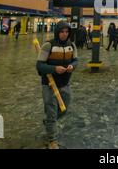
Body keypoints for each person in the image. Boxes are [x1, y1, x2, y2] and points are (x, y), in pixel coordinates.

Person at [36, 21, 78, 149]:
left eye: (66, 32)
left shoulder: (72, 46)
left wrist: (72, 66)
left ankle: (49, 121)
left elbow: (76, 60)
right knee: (51, 112)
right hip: (49, 84)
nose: (64, 34)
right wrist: (54, 69)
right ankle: (52, 140)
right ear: (57, 32)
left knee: (64, 109)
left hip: (65, 84)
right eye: (62, 32)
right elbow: (39, 65)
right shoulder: (48, 46)